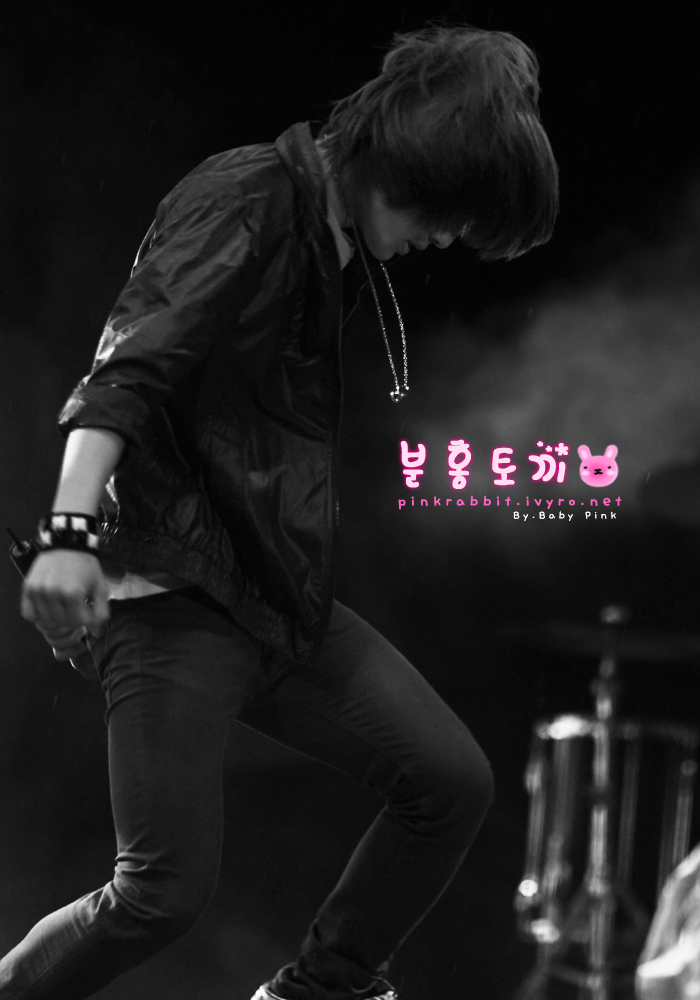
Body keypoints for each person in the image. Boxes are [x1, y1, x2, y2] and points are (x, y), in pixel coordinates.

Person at [2, 22, 558, 1000]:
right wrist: (69, 534)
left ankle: (318, 992)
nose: (442, 241)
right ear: (414, 164)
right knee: (160, 894)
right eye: (448, 216)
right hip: (173, 592)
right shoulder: (248, 196)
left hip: (271, 599)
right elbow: (128, 368)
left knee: (448, 782)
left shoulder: (333, 241)